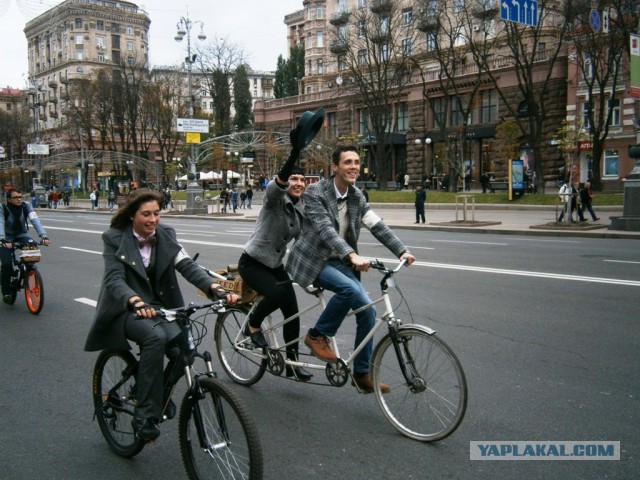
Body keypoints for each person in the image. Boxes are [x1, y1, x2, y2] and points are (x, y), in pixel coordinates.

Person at [84, 189, 237, 442]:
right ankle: (144, 416)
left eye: (156, 213)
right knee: (155, 338)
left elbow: (187, 266)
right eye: (146, 214)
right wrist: (135, 301)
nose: (153, 219)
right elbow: (114, 279)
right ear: (133, 215)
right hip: (127, 307)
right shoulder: (114, 238)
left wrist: (215, 288)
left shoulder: (165, 235)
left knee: (183, 352)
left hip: (162, 307)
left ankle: (158, 397)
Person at [286, 145, 416, 394]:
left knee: (368, 311)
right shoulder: (315, 192)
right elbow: (325, 229)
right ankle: (317, 335)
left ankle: (361, 374)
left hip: (340, 261)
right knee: (347, 289)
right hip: (314, 260)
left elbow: (377, 225)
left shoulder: (357, 196)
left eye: (356, 162)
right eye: (347, 162)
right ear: (335, 167)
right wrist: (352, 255)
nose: (353, 166)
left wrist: (401, 251)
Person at [238, 136, 312, 381]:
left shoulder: (300, 208)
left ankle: (292, 362)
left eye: (302, 179)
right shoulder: (274, 199)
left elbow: (306, 243)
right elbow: (277, 183)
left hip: (274, 266)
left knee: (292, 310)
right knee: (277, 294)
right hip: (253, 262)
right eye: (294, 178)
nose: (299, 183)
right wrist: (295, 152)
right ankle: (253, 325)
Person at [1, 188, 51, 303]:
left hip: (21, 235)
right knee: (7, 264)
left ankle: (28, 270)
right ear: (9, 199)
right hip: (5, 238)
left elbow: (35, 220)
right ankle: (6, 292)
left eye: (20, 196)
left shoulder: (26, 206)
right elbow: (0, 223)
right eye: (15, 197)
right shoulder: (3, 208)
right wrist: (2, 239)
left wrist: (43, 236)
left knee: (32, 246)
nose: (19, 199)